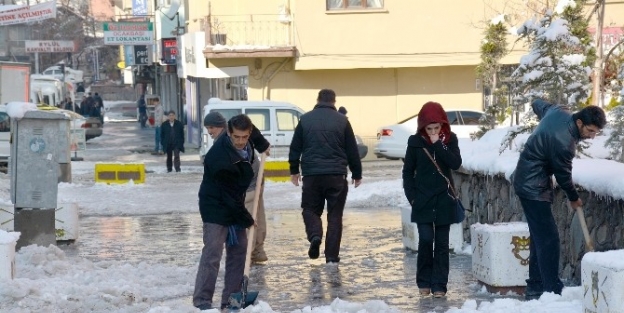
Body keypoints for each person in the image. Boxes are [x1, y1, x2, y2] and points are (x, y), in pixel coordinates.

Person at [511, 99, 606, 300]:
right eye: (590, 131)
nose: (592, 136)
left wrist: (536, 104)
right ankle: (551, 289)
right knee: (549, 239)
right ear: (579, 123)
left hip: (528, 180)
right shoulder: (564, 143)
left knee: (540, 237)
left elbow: (539, 104)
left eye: (596, 133)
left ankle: (536, 286)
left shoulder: (558, 111)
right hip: (532, 187)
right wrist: (574, 198)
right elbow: (563, 175)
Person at [288, 89, 362, 264]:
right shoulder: (342, 121)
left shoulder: (305, 120)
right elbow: (352, 149)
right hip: (336, 175)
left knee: (310, 209)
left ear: (318, 100)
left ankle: (315, 235)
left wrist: (294, 170)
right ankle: (331, 257)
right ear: (334, 102)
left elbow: (295, 147)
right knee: (335, 216)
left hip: (312, 175)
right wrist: (357, 173)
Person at [193, 114, 258, 311]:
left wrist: (264, 145)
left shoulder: (248, 146)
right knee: (213, 252)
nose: (240, 141)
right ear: (228, 133)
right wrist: (247, 219)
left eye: (244, 137)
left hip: (233, 204)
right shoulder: (219, 157)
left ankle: (230, 299)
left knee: (239, 251)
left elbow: (257, 136)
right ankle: (202, 301)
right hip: (215, 206)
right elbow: (227, 195)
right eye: (236, 137)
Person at [401, 101, 462, 298]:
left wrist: (439, 144)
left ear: (443, 125)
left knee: (442, 245)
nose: (433, 131)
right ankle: (424, 282)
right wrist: (412, 198)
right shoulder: (415, 142)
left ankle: (439, 286)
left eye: (437, 127)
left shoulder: (450, 140)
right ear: (422, 127)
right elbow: (408, 172)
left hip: (444, 200)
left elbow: (455, 163)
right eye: (429, 128)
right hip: (423, 201)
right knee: (426, 240)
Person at [203, 112, 271, 263]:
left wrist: (263, 145)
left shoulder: (230, 137)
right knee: (255, 216)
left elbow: (251, 129)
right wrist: (263, 145)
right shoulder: (230, 137)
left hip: (248, 185)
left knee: (248, 221)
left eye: (211, 127)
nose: (209, 131)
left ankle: (245, 258)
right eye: (207, 127)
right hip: (253, 181)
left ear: (222, 127)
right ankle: (257, 252)